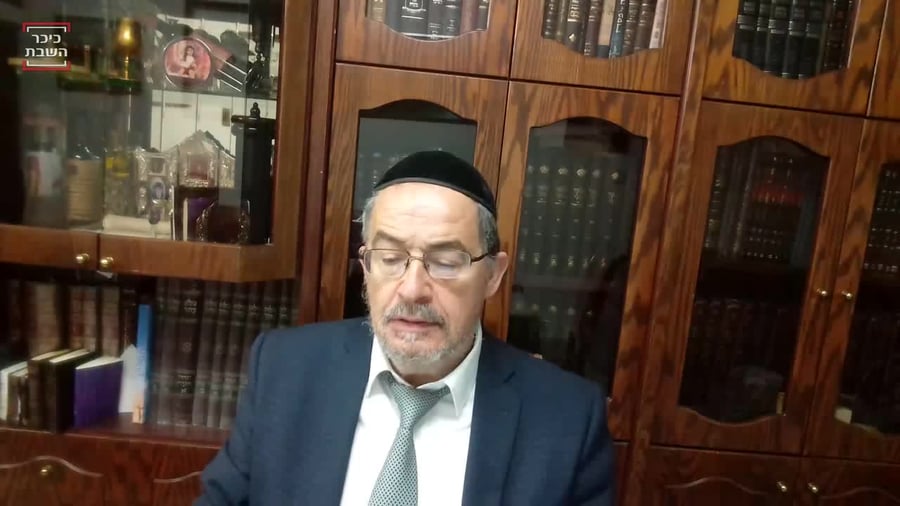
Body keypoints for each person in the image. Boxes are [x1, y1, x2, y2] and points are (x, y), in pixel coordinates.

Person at [194, 150, 615, 505]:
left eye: (445, 262)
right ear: (365, 265)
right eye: (390, 258)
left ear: (492, 275)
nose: (413, 289)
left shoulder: (566, 420)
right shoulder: (285, 371)